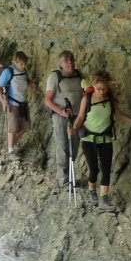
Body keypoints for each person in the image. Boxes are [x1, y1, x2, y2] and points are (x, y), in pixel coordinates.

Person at [69, 70, 131, 212]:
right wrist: (74, 129)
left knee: (106, 168)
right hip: (89, 138)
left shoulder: (110, 99)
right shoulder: (87, 99)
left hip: (105, 138)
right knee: (93, 168)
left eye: (104, 89)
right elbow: (80, 118)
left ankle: (103, 199)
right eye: (99, 89)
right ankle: (92, 192)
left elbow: (119, 115)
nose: (102, 92)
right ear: (93, 86)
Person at [43, 50, 85, 188]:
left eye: (71, 59)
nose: (70, 62)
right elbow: (48, 100)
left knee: (74, 147)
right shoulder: (55, 77)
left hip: (77, 117)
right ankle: (63, 179)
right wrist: (61, 111)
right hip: (61, 118)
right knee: (63, 147)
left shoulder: (79, 76)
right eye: (66, 60)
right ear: (61, 63)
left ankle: (71, 178)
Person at [0, 51, 35, 160]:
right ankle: (10, 152)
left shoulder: (24, 71)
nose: (24, 66)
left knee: (25, 126)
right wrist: (2, 101)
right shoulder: (8, 71)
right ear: (15, 62)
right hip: (12, 103)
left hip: (22, 102)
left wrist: (30, 83)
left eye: (25, 63)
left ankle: (12, 142)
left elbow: (24, 80)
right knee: (12, 128)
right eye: (21, 64)